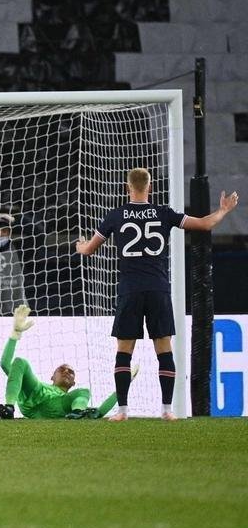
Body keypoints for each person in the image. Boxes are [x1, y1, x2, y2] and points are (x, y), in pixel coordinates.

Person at [77, 169, 239, 421]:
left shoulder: (115, 216)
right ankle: (166, 410)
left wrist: (80, 245)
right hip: (157, 288)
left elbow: (88, 250)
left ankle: (122, 411)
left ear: (126, 187)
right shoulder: (163, 213)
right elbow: (205, 224)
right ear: (150, 187)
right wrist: (224, 210)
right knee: (164, 348)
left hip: (130, 289)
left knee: (124, 350)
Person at [0, 304, 131, 419]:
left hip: (60, 406)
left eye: (71, 372)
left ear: (73, 383)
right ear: (52, 376)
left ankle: (77, 413)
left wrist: (126, 381)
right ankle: (9, 408)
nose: (66, 371)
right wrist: (15, 334)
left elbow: (99, 412)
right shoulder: (38, 387)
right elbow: (5, 364)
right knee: (20, 361)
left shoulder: (71, 400)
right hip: (34, 395)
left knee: (84, 391)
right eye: (61, 369)